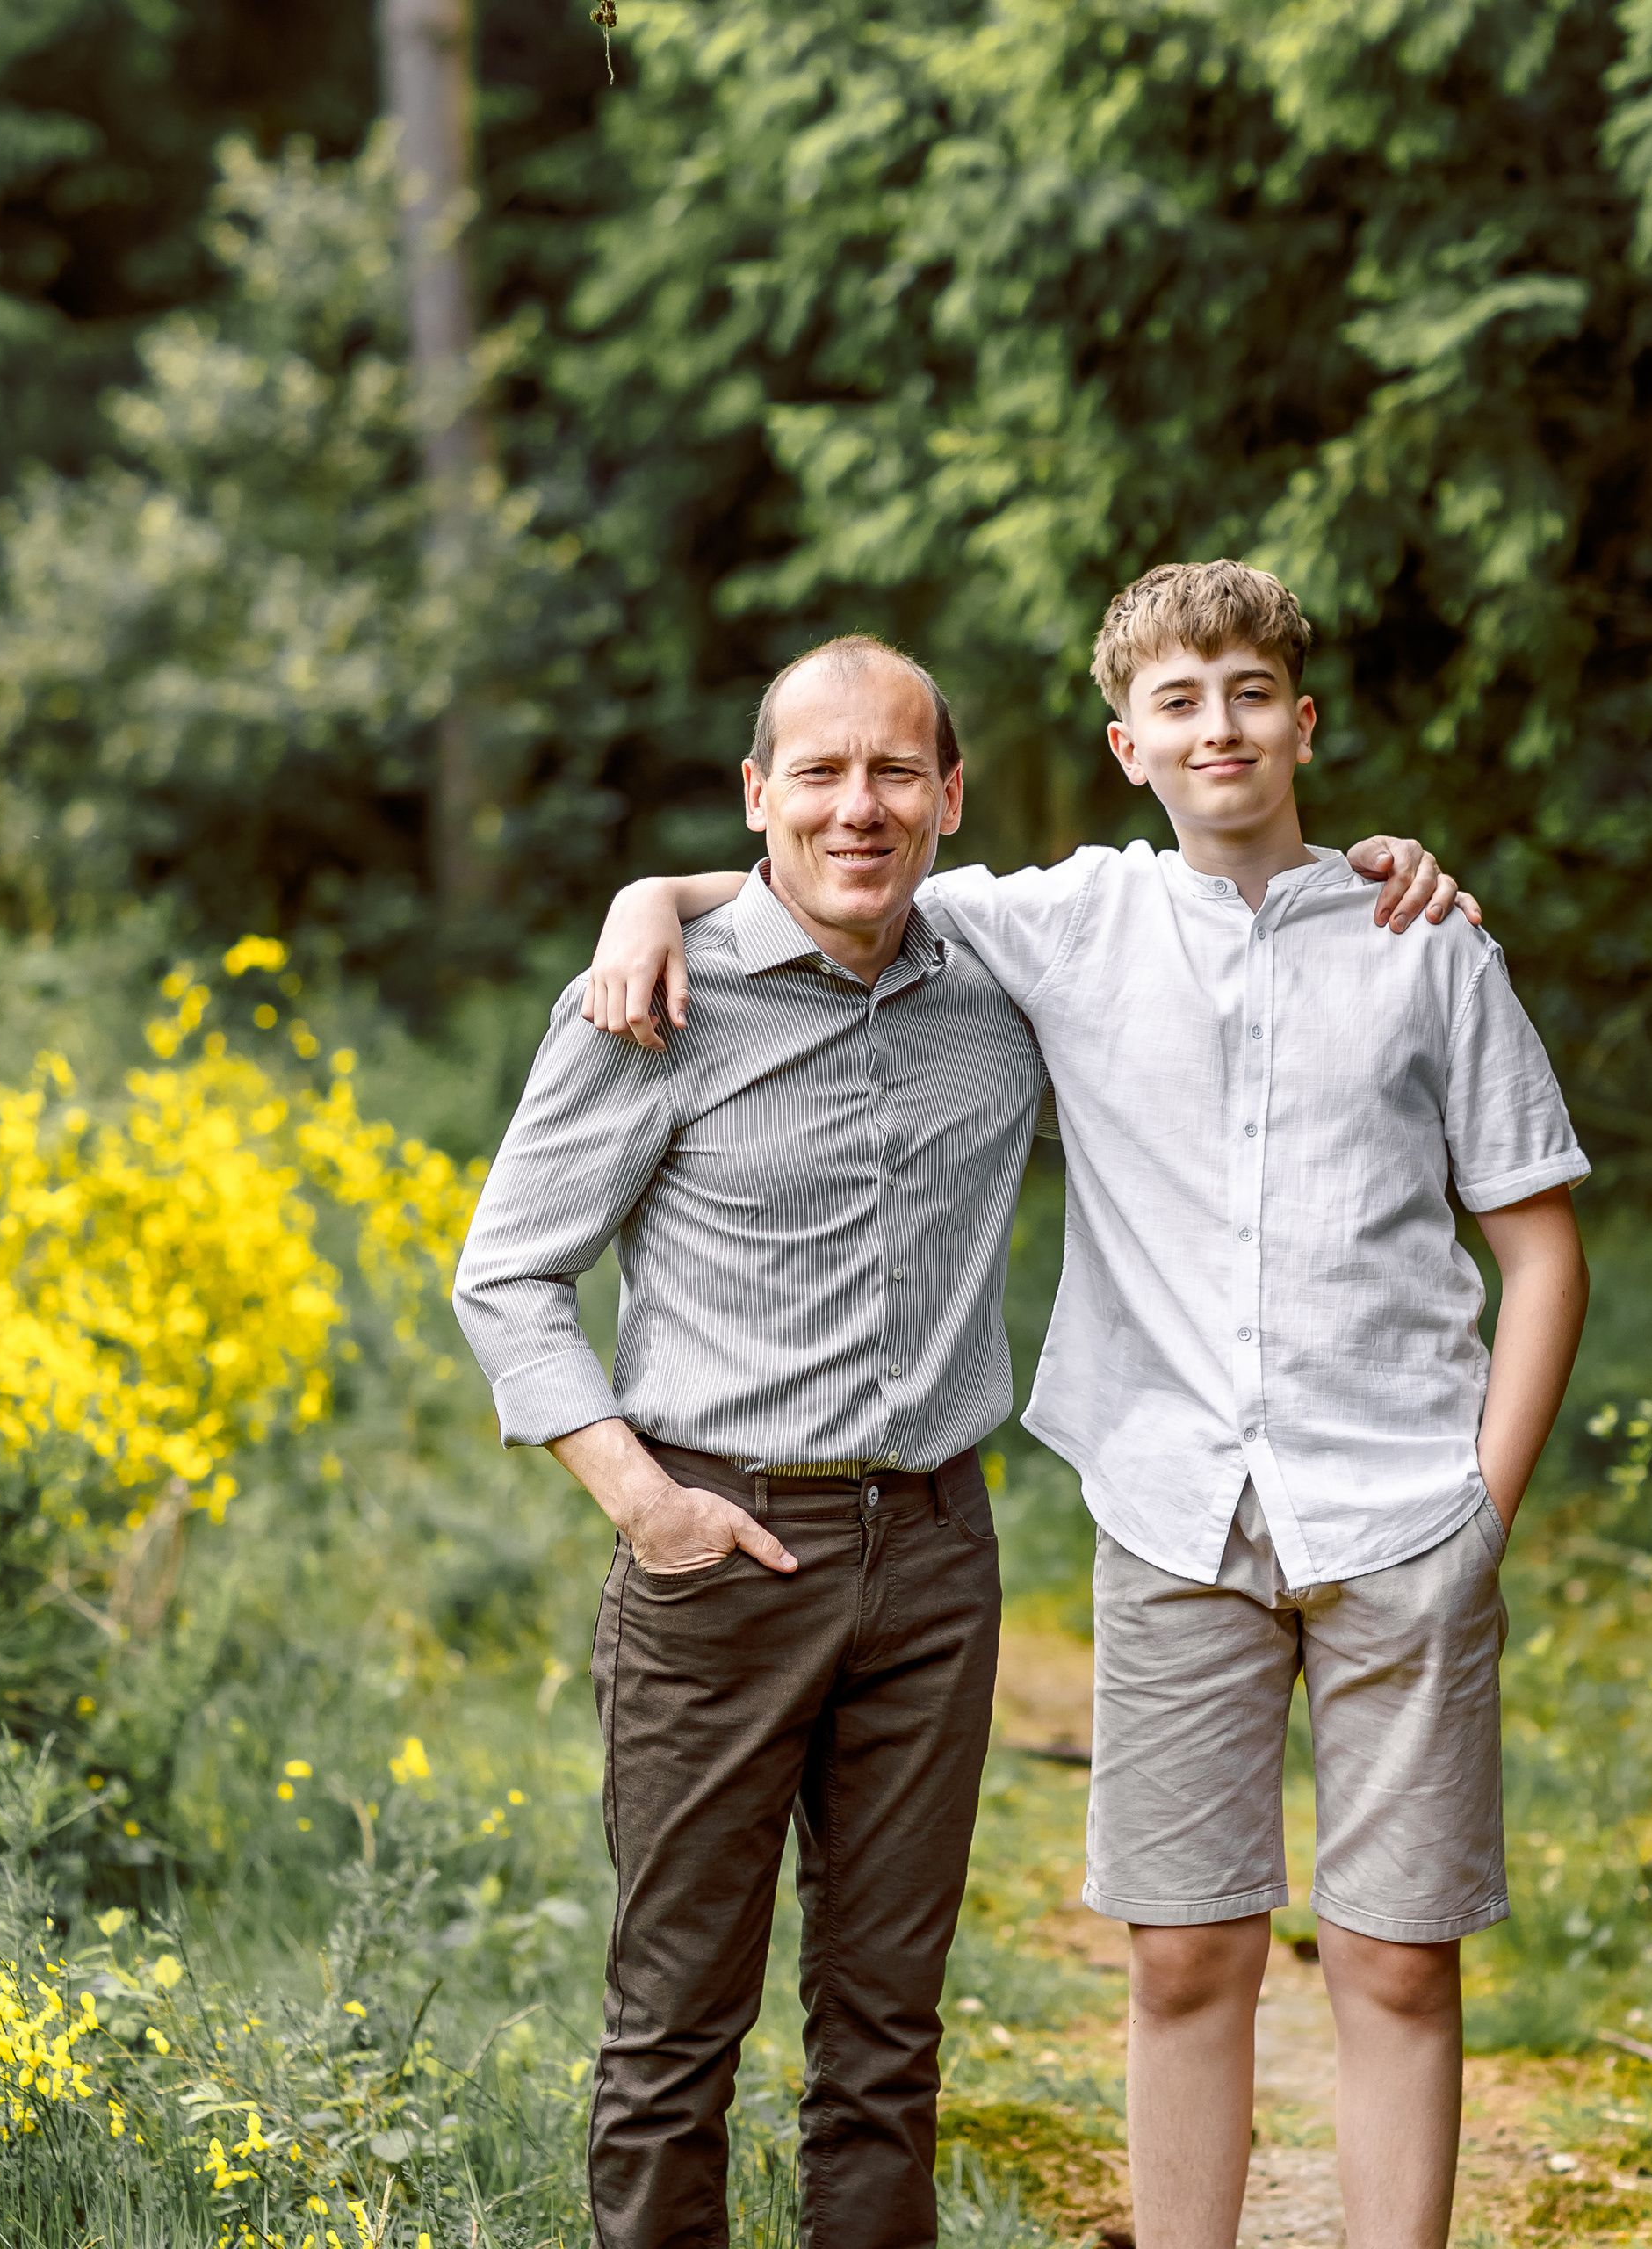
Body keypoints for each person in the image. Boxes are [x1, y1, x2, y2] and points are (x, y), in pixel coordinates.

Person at [589, 562, 1590, 2249]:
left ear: (1305, 721)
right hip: (1174, 1511)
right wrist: (648, 896)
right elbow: (840, 874)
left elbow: (1541, 1248)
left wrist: (1483, 1510)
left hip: (1403, 1506)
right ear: (1128, 747)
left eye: (1253, 694)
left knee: (1399, 1957)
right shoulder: (1066, 921)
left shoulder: (1420, 944)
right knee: (1188, 1950)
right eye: (1180, 705)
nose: (1222, 728)